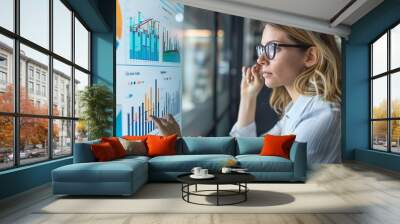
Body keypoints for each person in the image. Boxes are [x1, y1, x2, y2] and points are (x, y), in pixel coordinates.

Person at [151, 23, 342, 165]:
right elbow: (246, 149)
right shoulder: (296, 108)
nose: (260, 59)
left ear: (310, 57)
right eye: (262, 48)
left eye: (272, 48)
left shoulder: (322, 115)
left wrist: (179, 148)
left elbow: (257, 167)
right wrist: (248, 97)